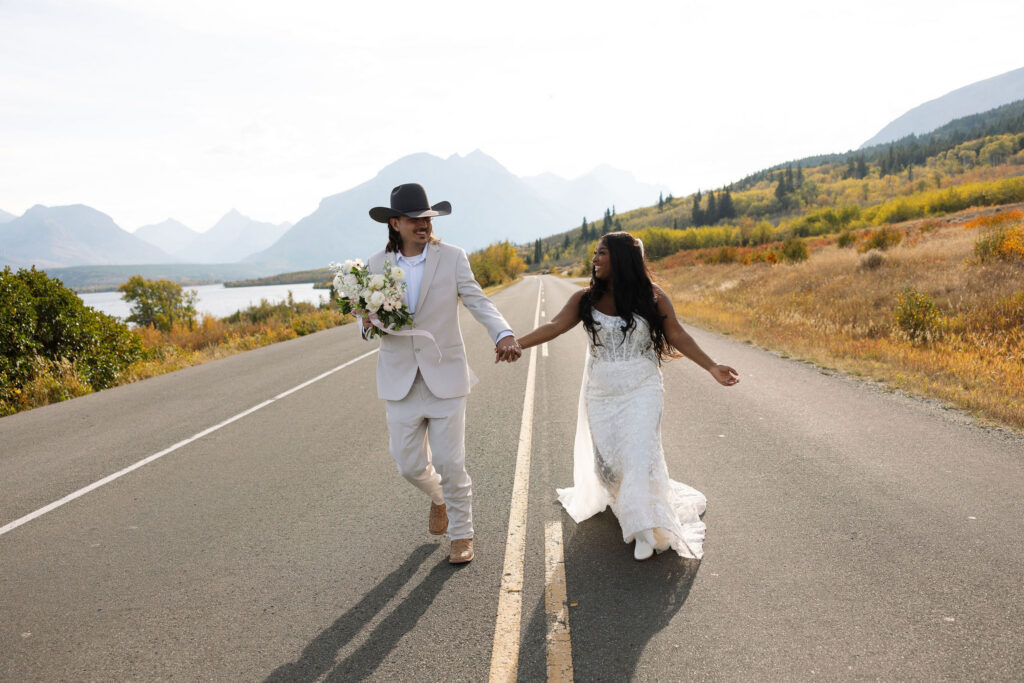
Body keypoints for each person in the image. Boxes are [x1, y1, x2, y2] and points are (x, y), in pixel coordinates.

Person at [516, 231, 739, 560]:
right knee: (611, 464)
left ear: (620, 258)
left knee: (637, 453)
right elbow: (553, 326)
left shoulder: (653, 296)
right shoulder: (584, 299)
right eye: (595, 253)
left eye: (601, 253)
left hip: (642, 387)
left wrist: (711, 366)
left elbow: (676, 332)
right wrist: (515, 344)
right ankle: (632, 505)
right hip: (602, 391)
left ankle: (644, 530)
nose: (595, 259)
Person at [363, 183, 522, 564]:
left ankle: (462, 534)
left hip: (445, 375)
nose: (423, 225)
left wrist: (503, 333)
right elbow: (365, 319)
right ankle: (439, 498)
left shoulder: (452, 257)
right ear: (395, 223)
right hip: (399, 378)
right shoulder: (374, 267)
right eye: (415, 220)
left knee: (451, 462)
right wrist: (365, 322)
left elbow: (477, 300)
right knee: (408, 465)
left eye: (428, 218)